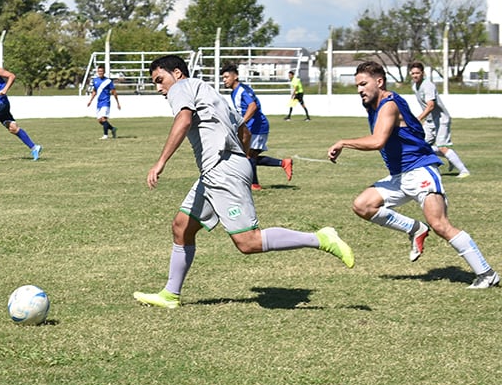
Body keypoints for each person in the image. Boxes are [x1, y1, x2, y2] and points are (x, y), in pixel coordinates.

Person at [132, 55, 354, 309]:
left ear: (178, 73)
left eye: (160, 80)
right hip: (219, 169)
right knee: (182, 227)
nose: (159, 88)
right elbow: (244, 132)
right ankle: (170, 294)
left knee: (248, 242)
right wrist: (242, 162)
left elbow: (182, 120)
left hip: (222, 170)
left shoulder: (181, 88)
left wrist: (160, 162)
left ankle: (321, 238)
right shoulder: (210, 92)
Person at [327, 61, 498, 289]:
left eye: (363, 84)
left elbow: (378, 141)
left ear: (379, 82)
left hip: (420, 171)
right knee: (362, 205)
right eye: (357, 85)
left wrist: (343, 142)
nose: (359, 90)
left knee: (440, 225)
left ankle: (486, 273)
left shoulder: (389, 105)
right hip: (400, 175)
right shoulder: (373, 105)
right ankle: (414, 228)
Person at [220, 64, 293, 190]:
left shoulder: (243, 90)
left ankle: (254, 184)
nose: (224, 80)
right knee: (247, 156)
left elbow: (252, 106)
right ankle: (283, 163)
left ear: (235, 76)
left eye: (226, 77)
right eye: (223, 78)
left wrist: (241, 122)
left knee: (249, 156)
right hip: (249, 127)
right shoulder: (234, 93)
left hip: (257, 126)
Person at [0, 51, 42, 161]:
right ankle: (34, 147)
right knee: (13, 128)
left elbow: (11, 76)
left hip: (0, 102)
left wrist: (5, 89)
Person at [409, 61, 470, 178]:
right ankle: (450, 156)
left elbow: (431, 105)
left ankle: (464, 171)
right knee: (422, 146)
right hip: (430, 120)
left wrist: (419, 118)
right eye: (413, 73)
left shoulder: (428, 86)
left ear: (423, 73)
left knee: (441, 147)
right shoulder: (414, 87)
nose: (415, 75)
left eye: (417, 73)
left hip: (441, 120)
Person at [87, 65, 121, 139]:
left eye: (101, 71)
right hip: (99, 103)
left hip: (106, 102)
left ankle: (105, 135)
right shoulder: (95, 80)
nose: (100, 72)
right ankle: (113, 129)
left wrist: (118, 103)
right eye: (99, 71)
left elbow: (114, 92)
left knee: (103, 118)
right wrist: (90, 101)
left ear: (104, 72)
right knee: (100, 120)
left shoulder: (108, 81)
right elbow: (94, 91)